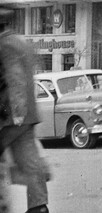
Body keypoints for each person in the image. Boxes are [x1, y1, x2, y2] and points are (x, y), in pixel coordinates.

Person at [0, 11, 50, 213]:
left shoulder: (5, 45)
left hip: (12, 118)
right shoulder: (21, 42)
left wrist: (17, 115)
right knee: (31, 163)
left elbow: (16, 79)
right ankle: (39, 207)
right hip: (25, 118)